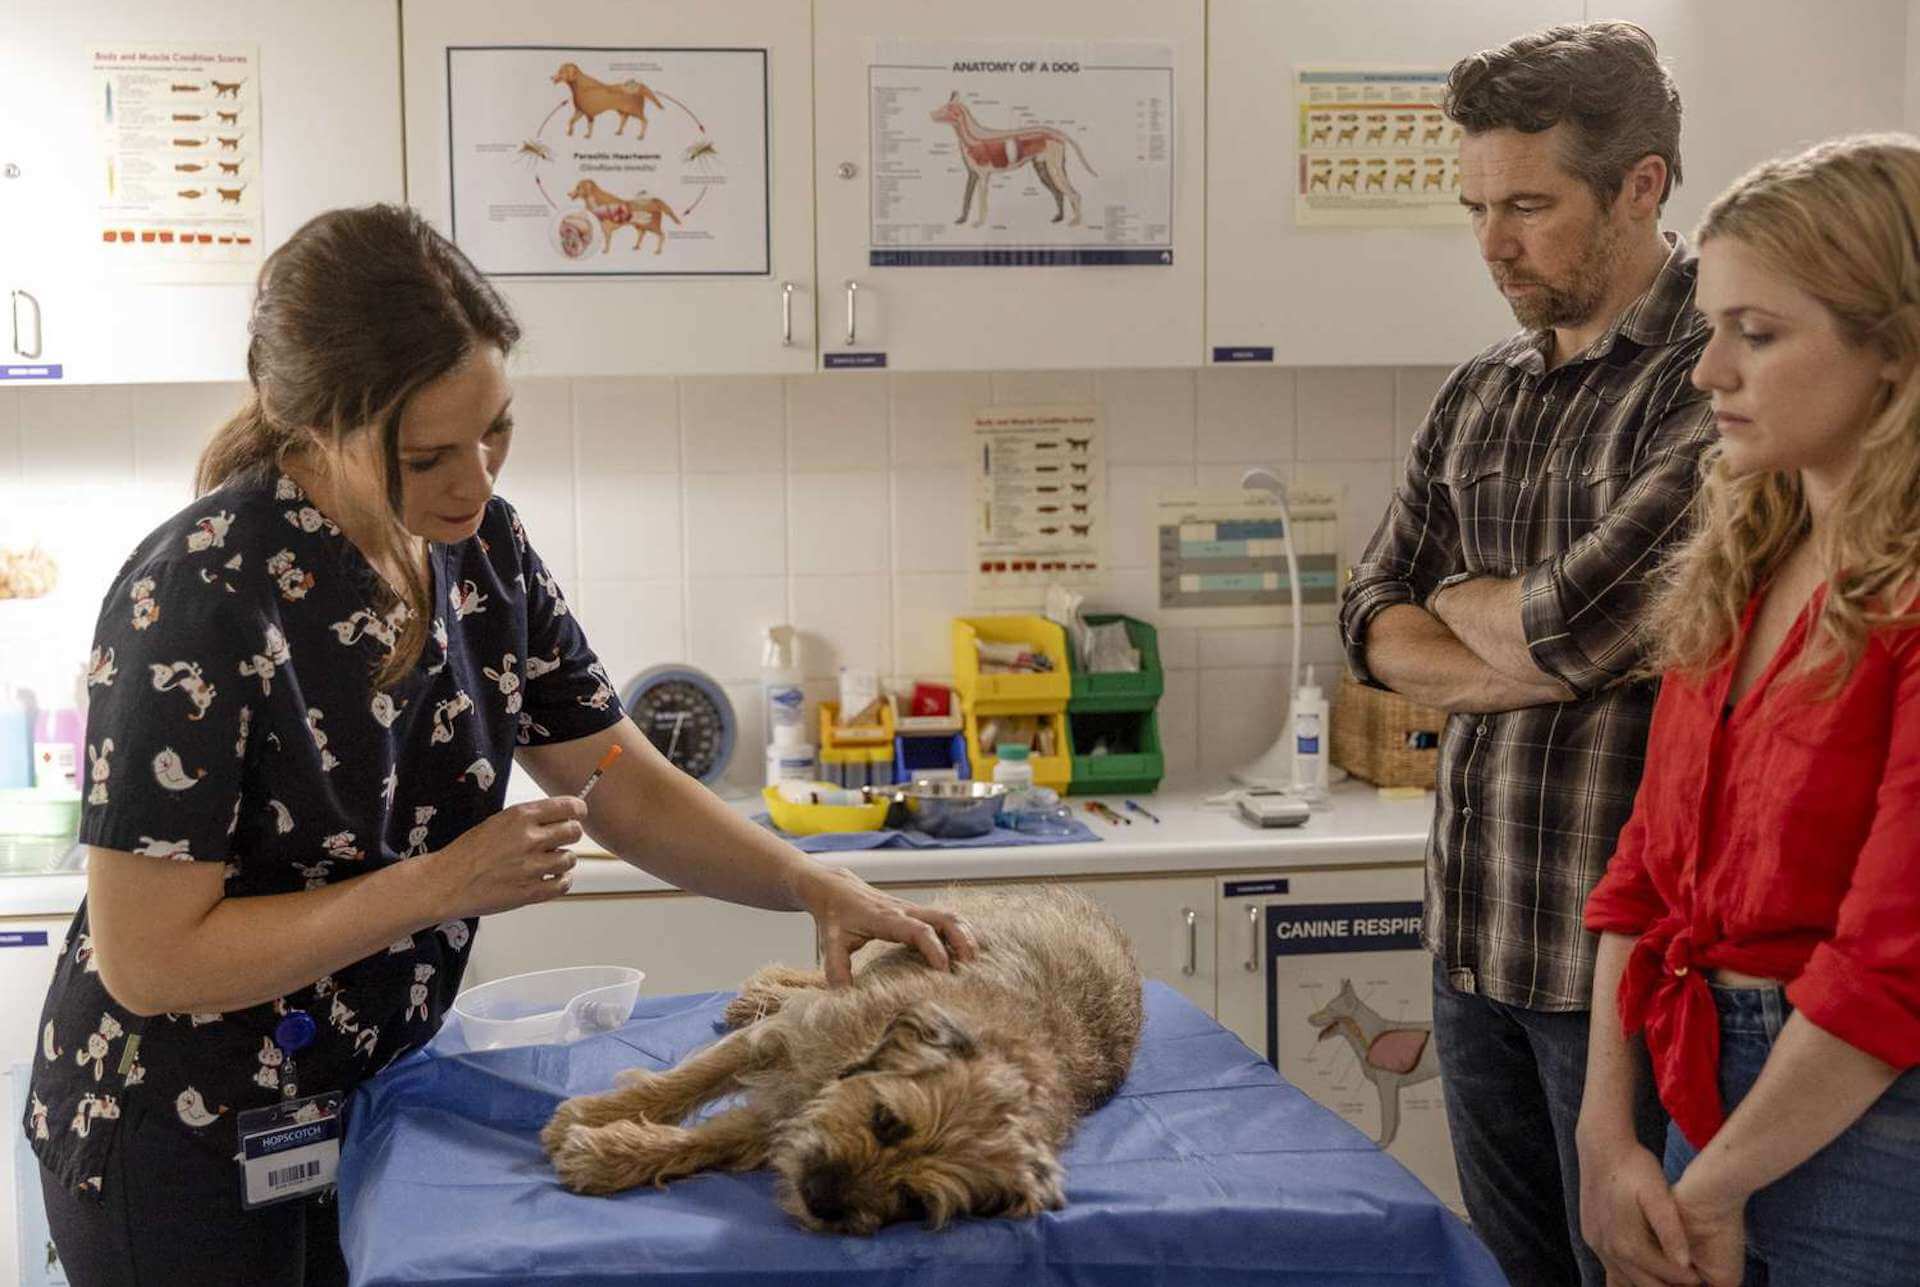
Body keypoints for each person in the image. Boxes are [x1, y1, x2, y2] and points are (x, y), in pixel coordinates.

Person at [22, 203, 975, 1286]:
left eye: (496, 432)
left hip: (370, 1100)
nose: (475, 483)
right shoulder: (196, 592)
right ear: (316, 426)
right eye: (428, 456)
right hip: (180, 1132)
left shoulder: (482, 550)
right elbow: (150, 963)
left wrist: (810, 885)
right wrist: (436, 886)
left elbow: (615, 777)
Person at [1337, 22, 1711, 1284]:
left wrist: (1485, 610)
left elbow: (1578, 622)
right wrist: (1524, 637)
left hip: (1625, 976)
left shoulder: (1718, 374)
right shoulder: (1481, 386)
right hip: (1473, 941)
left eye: (1530, 206)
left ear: (1642, 185)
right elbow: (1370, 613)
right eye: (1477, 207)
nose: (1493, 243)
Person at [1579, 133, 1920, 1287]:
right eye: (1711, 328)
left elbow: (1889, 964)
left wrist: (1712, 1189)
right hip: (1689, 1079)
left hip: (1862, 1115)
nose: (1704, 372)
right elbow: (1644, 869)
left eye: (1757, 335)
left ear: (1896, 350)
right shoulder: (1751, 550)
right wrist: (1605, 1134)